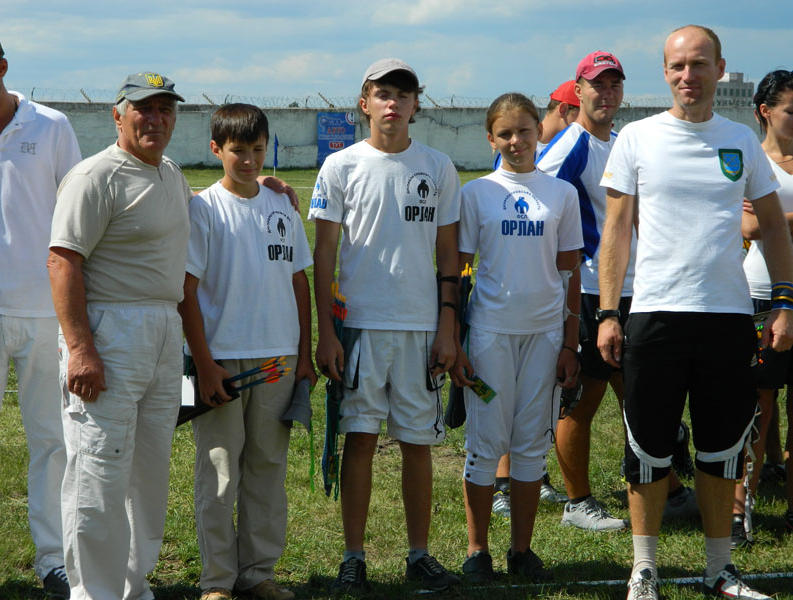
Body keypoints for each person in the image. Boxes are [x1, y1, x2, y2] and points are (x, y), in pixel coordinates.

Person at [597, 25, 793, 600]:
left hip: (728, 318)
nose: (689, 75)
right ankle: (644, 570)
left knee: (721, 448)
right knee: (649, 448)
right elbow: (615, 232)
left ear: (719, 67)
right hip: (654, 315)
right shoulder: (636, 139)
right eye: (678, 66)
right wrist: (610, 312)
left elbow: (774, 227)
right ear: (665, 73)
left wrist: (783, 301)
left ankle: (719, 571)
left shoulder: (740, 141)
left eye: (700, 64)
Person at [308, 58, 460, 594]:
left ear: (417, 104)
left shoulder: (439, 166)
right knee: (361, 438)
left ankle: (419, 553)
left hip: (421, 328)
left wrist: (448, 323)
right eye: (381, 93)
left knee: (419, 443)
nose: (392, 102)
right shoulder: (340, 166)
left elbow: (449, 253)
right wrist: (327, 332)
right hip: (361, 327)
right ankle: (354, 556)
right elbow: (323, 255)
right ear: (364, 102)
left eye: (403, 93)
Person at [538, 50, 697, 532]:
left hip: (634, 290)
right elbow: (537, 206)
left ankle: (665, 488)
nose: (606, 94)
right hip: (589, 291)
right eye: (596, 85)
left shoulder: (623, 143)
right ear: (578, 91)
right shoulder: (572, 147)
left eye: (614, 85)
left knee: (641, 394)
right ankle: (578, 502)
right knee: (582, 399)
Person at [47, 72, 191, 600]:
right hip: (110, 330)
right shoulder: (95, 176)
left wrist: (266, 182)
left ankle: (134, 585)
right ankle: (95, 592)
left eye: (165, 109)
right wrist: (82, 348)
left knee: (148, 471)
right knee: (99, 469)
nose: (155, 119)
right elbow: (62, 261)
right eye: (143, 109)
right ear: (118, 114)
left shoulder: (170, 174)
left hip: (162, 329)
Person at [178, 103, 317, 600]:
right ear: (216, 150)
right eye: (239, 151)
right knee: (219, 470)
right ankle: (216, 580)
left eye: (258, 150)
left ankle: (258, 573)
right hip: (222, 361)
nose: (250, 161)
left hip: (278, 359)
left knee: (266, 470)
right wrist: (204, 362)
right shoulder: (204, 208)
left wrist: (305, 353)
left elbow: (299, 281)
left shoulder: (282, 204)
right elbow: (186, 291)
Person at [452, 92, 582, 583]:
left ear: (538, 132)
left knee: (530, 446)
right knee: (485, 446)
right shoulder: (477, 194)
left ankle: (521, 551)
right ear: (491, 138)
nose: (516, 141)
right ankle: (477, 551)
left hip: (545, 337)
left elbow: (570, 277)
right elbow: (460, 274)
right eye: (505, 133)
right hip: (489, 335)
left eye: (524, 130)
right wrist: (457, 339)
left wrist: (570, 343)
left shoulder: (561, 195)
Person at [0, 32, 81, 599]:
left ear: (0, 66)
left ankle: (54, 558)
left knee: (53, 442)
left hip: (45, 311)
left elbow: (82, 211)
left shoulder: (50, 126)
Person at [736, 69, 793, 546]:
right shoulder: (750, 161)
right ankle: (742, 511)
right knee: (758, 405)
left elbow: (766, 221)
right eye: (791, 111)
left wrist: (777, 218)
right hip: (762, 293)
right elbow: (749, 228)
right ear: (766, 112)